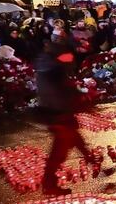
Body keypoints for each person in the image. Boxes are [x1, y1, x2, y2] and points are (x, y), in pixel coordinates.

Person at [36, 42, 97, 194]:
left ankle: (96, 165)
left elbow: (65, 88)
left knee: (77, 140)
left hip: (58, 111)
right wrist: (81, 99)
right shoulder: (53, 71)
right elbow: (63, 91)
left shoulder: (49, 67)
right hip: (58, 113)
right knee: (59, 152)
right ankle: (49, 185)